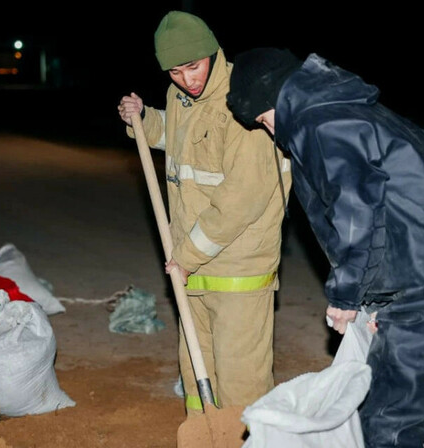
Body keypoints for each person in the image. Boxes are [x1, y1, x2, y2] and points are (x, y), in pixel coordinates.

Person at [226, 48, 424, 447]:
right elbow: (393, 212)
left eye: (265, 119)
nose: (270, 132)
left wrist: (347, 295)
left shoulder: (323, 123)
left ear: (275, 99)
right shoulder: (349, 110)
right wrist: (376, 302)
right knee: (414, 418)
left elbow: (355, 211)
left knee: (387, 427)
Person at [116, 12, 292, 416]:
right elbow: (181, 144)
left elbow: (242, 199)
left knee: (241, 384)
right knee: (199, 374)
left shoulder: (243, 102)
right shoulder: (179, 97)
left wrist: (187, 255)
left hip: (238, 270)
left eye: (193, 66)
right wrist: (144, 120)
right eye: (176, 71)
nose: (187, 79)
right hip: (192, 268)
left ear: (213, 53)